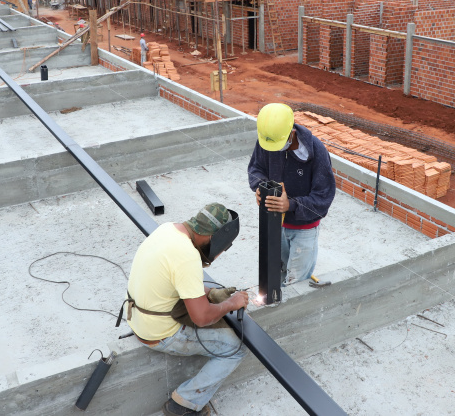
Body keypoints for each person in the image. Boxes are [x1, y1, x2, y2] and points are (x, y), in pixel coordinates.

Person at [123, 203, 249, 416]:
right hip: (158, 333)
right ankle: (184, 403)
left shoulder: (168, 229)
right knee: (237, 348)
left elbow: (177, 279)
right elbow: (201, 318)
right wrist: (231, 303)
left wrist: (210, 293)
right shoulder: (187, 255)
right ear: (212, 238)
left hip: (136, 317)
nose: (216, 255)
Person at [247, 103, 336, 287]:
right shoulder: (269, 139)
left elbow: (323, 199)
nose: (274, 150)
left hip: (304, 230)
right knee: (274, 277)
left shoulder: (317, 152)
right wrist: (260, 187)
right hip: (273, 224)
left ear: (292, 133)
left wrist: (291, 205)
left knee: (296, 286)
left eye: (279, 146)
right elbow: (256, 168)